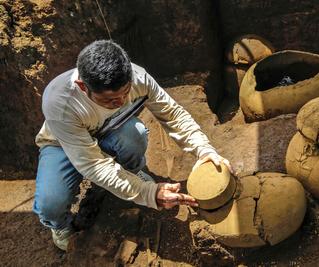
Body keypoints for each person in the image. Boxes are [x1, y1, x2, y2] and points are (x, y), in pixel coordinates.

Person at [33, 40, 232, 251]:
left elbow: (172, 114)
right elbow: (93, 165)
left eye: (125, 93)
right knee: (50, 204)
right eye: (109, 100)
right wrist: (148, 193)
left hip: (112, 130)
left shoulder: (138, 77)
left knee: (134, 134)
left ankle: (132, 171)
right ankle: (60, 226)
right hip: (64, 144)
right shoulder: (60, 101)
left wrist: (203, 149)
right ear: (83, 87)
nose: (120, 102)